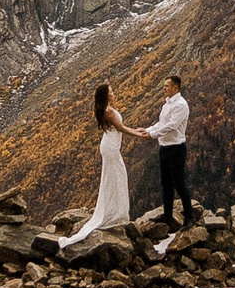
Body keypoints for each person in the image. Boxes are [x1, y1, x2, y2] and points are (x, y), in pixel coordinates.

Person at [56, 82, 144, 250]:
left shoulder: (105, 110)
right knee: (116, 177)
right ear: (106, 95)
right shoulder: (108, 111)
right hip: (111, 148)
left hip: (109, 146)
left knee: (113, 178)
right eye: (111, 91)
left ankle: (115, 212)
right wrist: (138, 134)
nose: (113, 93)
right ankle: (114, 214)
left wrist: (136, 130)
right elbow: (120, 128)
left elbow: (119, 128)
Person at [152, 74, 193, 225]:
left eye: (166, 86)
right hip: (164, 147)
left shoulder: (180, 105)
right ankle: (167, 215)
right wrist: (148, 130)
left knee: (179, 183)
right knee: (166, 183)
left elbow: (172, 125)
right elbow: (162, 123)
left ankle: (190, 217)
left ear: (175, 88)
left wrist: (153, 134)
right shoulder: (167, 104)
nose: (164, 88)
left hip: (176, 148)